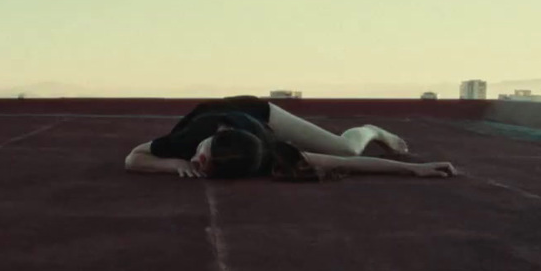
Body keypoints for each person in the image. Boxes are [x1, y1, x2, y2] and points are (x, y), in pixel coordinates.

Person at [124, 96, 458, 180]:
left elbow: (342, 161)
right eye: (201, 158)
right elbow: (134, 156)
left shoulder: (267, 152)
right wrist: (174, 163)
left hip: (259, 115)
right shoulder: (190, 142)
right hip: (232, 117)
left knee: (345, 146)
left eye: (200, 157)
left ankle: (372, 129)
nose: (196, 159)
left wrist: (414, 169)